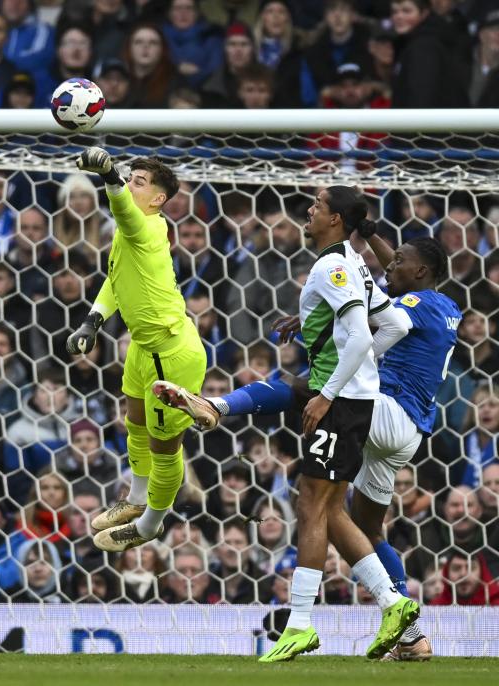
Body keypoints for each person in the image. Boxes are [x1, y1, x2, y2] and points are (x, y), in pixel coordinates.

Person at [168, 232, 459, 659]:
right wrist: (371, 230)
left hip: (384, 411)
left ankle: (218, 405)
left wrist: (312, 316)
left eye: (399, 262)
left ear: (422, 272)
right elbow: (393, 281)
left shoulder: (418, 304)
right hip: (406, 432)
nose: (388, 266)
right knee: (364, 528)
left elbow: (373, 317)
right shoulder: (446, 304)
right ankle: (411, 634)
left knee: (306, 388)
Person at [66, 147, 206, 554]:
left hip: (172, 352)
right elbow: (115, 280)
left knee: (165, 446)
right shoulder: (128, 235)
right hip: (143, 348)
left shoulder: (147, 228)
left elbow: (124, 211)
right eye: (129, 178)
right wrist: (92, 322)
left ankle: (149, 524)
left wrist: (109, 177)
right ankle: (136, 497)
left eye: (138, 182)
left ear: (158, 199)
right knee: (135, 424)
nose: (130, 184)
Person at [389, 0, 469, 108]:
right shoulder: (412, 43)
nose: (398, 16)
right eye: (394, 12)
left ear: (424, 13)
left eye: (406, 11)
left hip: (427, 123)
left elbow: (421, 99)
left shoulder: (424, 47)